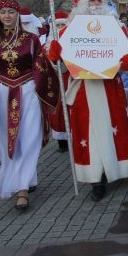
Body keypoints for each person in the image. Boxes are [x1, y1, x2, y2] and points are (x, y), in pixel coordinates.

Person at [48, 0, 128, 201]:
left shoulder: (117, 29)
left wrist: (125, 62)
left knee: (110, 130)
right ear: (80, 5)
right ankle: (96, 178)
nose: (95, 6)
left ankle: (112, 169)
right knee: (88, 134)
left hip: (109, 89)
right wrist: (56, 56)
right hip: (83, 91)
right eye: (90, 1)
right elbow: (63, 68)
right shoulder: (67, 32)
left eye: (98, 1)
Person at [0, 0, 58, 209]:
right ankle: (20, 178)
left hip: (27, 92)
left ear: (17, 14)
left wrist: (47, 65)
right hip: (2, 95)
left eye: (11, 11)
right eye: (3, 12)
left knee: (29, 138)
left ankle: (22, 190)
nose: (7, 16)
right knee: (6, 141)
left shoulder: (30, 39)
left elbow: (41, 64)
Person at [46, 10, 70, 152]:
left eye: (63, 25)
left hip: (70, 81)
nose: (60, 28)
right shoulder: (46, 45)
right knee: (57, 111)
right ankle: (61, 140)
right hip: (55, 82)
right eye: (58, 25)